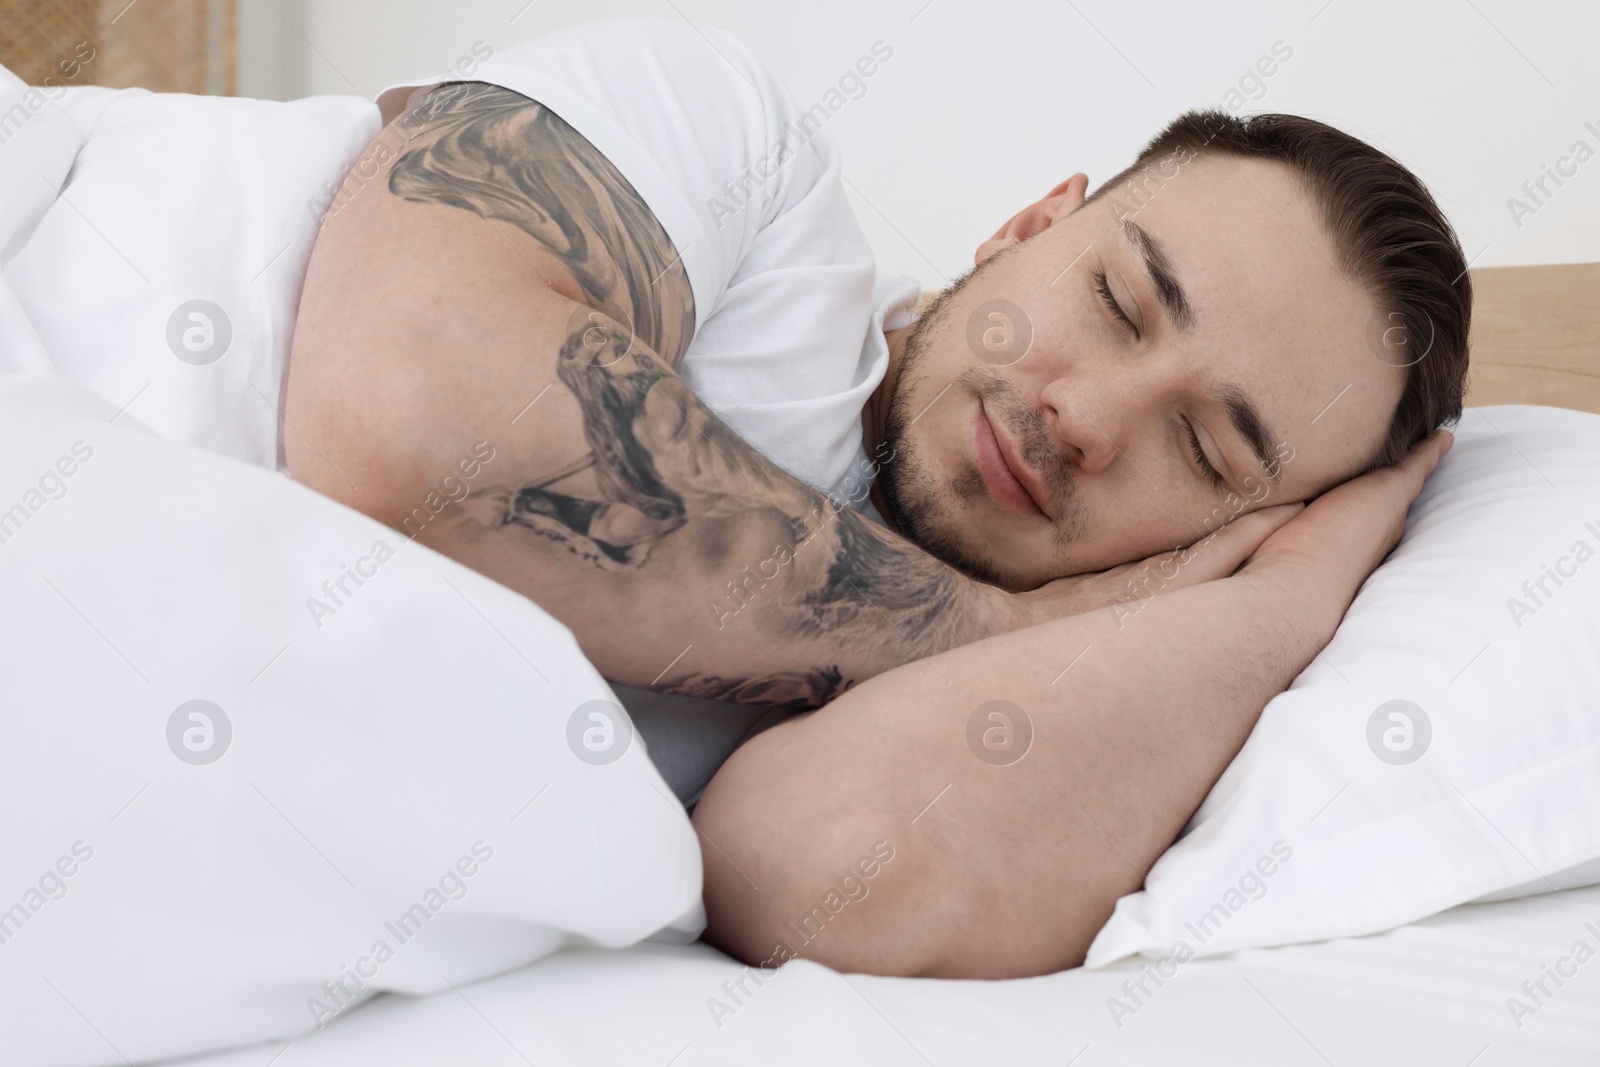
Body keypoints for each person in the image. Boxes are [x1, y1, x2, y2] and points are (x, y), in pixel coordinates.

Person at [283, 17, 1467, 978]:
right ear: (1030, 226)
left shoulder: (1020, 693)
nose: (1088, 420)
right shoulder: (729, 144)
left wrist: (1286, 604)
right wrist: (1003, 623)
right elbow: (409, 421)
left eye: (1206, 453)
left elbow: (825, 874)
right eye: (1114, 300)